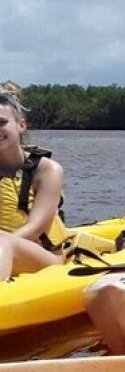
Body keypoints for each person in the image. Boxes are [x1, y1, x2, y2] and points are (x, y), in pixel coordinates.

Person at [0, 87, 66, 279]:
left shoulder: (47, 170)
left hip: (41, 254)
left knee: (4, 243)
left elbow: (36, 229)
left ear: (21, 125)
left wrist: (4, 240)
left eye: (2, 123)